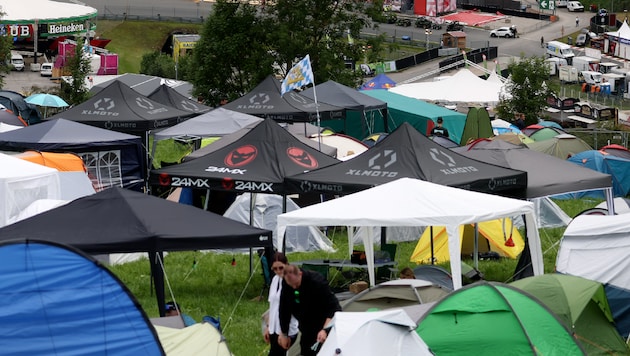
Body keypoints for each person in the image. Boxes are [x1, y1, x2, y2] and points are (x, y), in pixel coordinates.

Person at [278, 264, 341, 356]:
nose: (294, 287)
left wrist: (325, 330)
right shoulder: (287, 283)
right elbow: (284, 309)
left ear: (300, 274)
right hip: (306, 327)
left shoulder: (317, 282)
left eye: (296, 284)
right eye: (291, 285)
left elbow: (333, 308)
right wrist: (284, 333)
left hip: (324, 322)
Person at [264, 252, 298, 356]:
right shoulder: (275, 280)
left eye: (281, 268)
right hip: (274, 329)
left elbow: (293, 309)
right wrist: (268, 327)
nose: (278, 271)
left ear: (287, 265)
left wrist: (283, 333)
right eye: (275, 269)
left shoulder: (292, 282)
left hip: (287, 330)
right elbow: (272, 306)